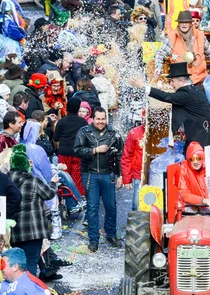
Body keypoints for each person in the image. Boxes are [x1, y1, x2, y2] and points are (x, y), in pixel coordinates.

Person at [132, 63, 210, 150]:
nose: (171, 84)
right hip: (207, 134)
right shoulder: (194, 89)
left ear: (182, 80)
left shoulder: (186, 93)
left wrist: (144, 87)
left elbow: (166, 96)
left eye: (172, 81)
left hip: (204, 137)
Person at [73, 107, 124, 252]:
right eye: (98, 119)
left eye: (103, 119)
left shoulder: (114, 134)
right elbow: (76, 151)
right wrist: (95, 150)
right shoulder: (84, 132)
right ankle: (93, 239)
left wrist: (120, 175)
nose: (101, 122)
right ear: (93, 119)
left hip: (108, 174)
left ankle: (111, 235)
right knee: (92, 207)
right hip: (90, 174)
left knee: (111, 206)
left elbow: (120, 156)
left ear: (106, 119)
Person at [8, 144, 58, 275]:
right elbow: (49, 194)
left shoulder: (6, 181)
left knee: (17, 262)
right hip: (34, 229)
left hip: (14, 229)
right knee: (31, 261)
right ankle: (28, 288)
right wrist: (53, 183)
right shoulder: (33, 180)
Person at [153, 11, 210, 85]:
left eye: (186, 22)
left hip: (199, 79)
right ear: (178, 24)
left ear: (191, 23)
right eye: (181, 22)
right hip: (180, 81)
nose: (184, 24)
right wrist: (158, 67)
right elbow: (160, 54)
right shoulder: (172, 37)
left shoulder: (200, 36)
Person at [53, 98, 88, 196]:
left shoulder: (61, 122)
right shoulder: (83, 122)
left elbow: (56, 138)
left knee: (64, 176)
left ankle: (65, 196)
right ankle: (79, 196)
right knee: (77, 177)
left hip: (64, 152)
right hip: (78, 152)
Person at [178, 142, 210, 213]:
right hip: (192, 207)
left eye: (198, 158)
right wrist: (204, 200)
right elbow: (185, 195)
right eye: (192, 159)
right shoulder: (184, 170)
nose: (195, 162)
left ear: (202, 158)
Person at [121, 122, 144, 211]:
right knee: (137, 205)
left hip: (157, 175)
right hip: (138, 175)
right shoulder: (134, 133)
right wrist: (127, 179)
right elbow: (127, 156)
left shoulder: (163, 132)